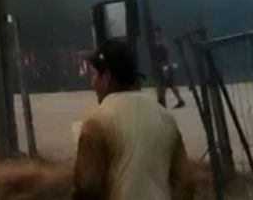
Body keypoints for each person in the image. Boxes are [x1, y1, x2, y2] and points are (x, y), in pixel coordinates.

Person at [73, 39, 192, 200]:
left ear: (106, 76)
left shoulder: (97, 122)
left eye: (93, 74)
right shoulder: (165, 117)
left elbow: (88, 188)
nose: (92, 83)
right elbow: (185, 184)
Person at [152, 26, 186, 109]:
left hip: (165, 65)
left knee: (164, 84)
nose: (157, 33)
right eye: (156, 32)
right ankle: (177, 100)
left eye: (158, 31)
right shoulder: (154, 42)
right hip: (159, 65)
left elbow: (167, 55)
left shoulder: (163, 42)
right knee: (165, 84)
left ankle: (162, 103)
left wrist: (166, 66)